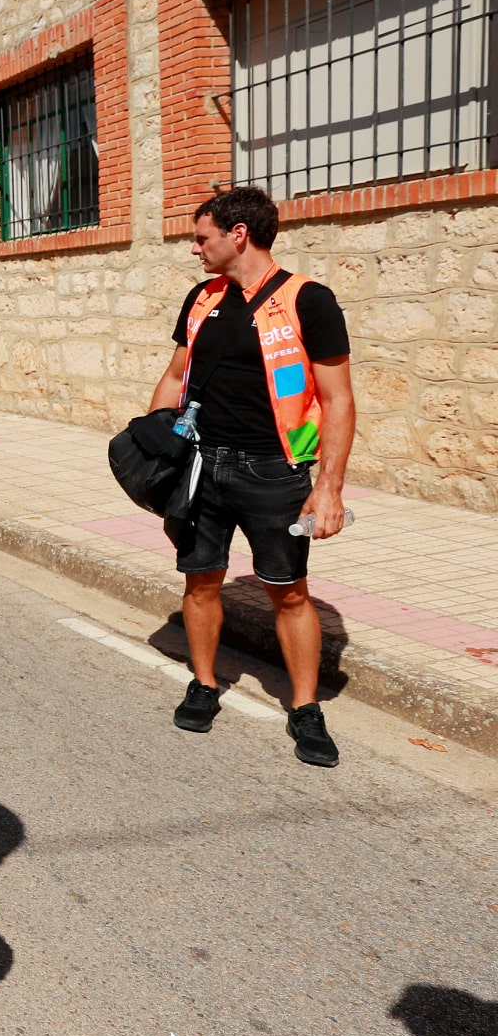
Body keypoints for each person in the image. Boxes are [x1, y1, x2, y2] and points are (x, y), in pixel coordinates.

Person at [150, 186, 355, 767]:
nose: (195, 248)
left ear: (237, 234)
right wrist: (152, 439)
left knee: (288, 592)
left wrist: (329, 486)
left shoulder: (308, 301)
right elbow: (174, 375)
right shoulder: (201, 298)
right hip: (202, 465)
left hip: (275, 471)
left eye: (201, 237)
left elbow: (338, 400)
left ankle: (306, 707)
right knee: (200, 579)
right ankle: (206, 683)